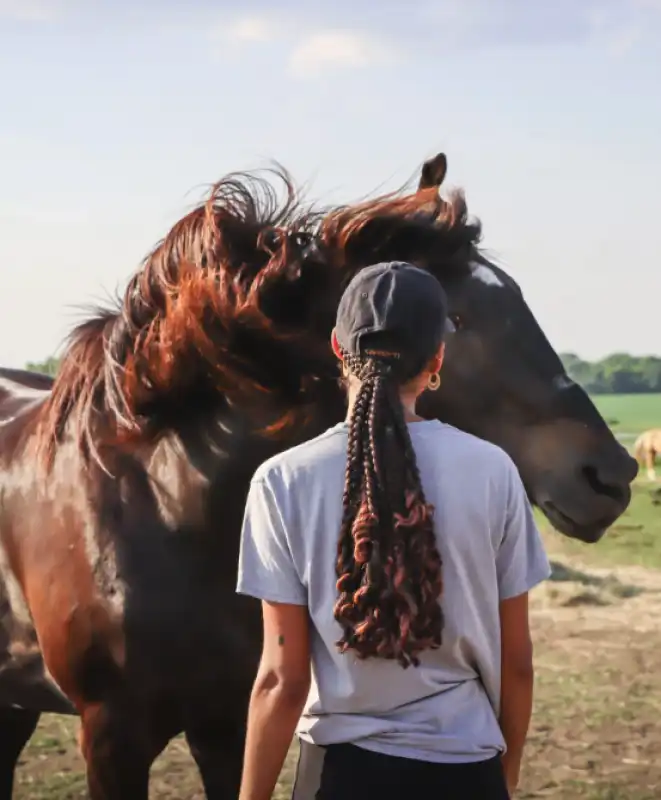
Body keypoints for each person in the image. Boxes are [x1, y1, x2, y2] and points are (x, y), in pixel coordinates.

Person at [236, 261, 551, 800]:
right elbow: (516, 663)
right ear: (436, 358)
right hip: (465, 770)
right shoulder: (492, 470)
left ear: (338, 348)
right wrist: (506, 772)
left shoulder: (281, 482)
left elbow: (281, 681)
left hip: (336, 776)